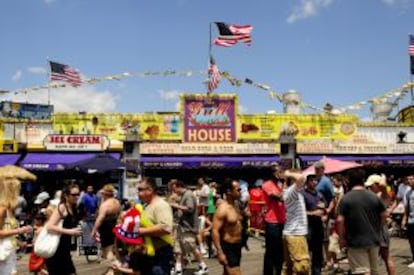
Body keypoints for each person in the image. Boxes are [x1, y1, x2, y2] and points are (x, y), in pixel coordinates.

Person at [337, 168, 387, 275]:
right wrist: (378, 228)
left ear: (349, 181)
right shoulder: (374, 197)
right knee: (374, 271)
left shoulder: (346, 198)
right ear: (363, 180)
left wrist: (341, 239)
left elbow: (340, 220)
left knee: (361, 272)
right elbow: (384, 215)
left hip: (355, 241)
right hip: (374, 240)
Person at [0, 166, 35, 275]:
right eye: (18, 190)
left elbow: (7, 231)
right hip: (3, 253)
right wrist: (20, 230)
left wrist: (20, 243)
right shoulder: (3, 209)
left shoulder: (10, 209)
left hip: (9, 250)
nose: (19, 194)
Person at [136, 177, 174, 274]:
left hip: (160, 254)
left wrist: (139, 231)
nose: (138, 193)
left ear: (150, 190)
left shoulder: (160, 205)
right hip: (149, 253)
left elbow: (165, 227)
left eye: (140, 189)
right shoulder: (146, 205)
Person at [170, 180, 208, 275]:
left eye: (175, 189)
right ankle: (178, 268)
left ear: (179, 187)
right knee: (178, 248)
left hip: (188, 227)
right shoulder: (183, 195)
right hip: (182, 226)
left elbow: (190, 208)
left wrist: (176, 206)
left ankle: (203, 266)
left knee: (192, 247)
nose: (174, 192)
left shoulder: (188, 195)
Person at [45, 183, 83, 275]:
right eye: (74, 195)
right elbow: (49, 226)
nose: (77, 197)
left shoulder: (73, 208)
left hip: (65, 250)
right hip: (56, 250)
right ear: (66, 195)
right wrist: (70, 231)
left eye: (78, 194)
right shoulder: (62, 207)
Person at [364, 174, 396, 275]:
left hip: (381, 230)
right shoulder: (371, 195)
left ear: (377, 185)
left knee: (386, 257)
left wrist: (382, 180)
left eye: (371, 185)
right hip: (372, 229)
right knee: (372, 258)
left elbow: (383, 188)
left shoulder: (383, 195)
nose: (368, 187)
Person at [212, 178, 243, 275]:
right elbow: (215, 231)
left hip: (237, 246)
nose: (240, 192)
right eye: (238, 190)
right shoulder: (222, 209)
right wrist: (220, 252)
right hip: (228, 248)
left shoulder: (236, 205)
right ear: (229, 191)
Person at [282, 170, 310, 275]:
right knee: (302, 268)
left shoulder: (292, 192)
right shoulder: (291, 191)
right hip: (296, 234)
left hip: (292, 233)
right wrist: (288, 174)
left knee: (289, 269)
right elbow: (301, 178)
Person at [262, 165, 286, 275]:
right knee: (271, 252)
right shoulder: (267, 185)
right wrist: (284, 183)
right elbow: (279, 197)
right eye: (278, 172)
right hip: (272, 223)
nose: (280, 173)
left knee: (280, 252)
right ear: (272, 173)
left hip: (282, 221)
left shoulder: (279, 185)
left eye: (281, 171)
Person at [91, 184, 121, 273]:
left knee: (107, 251)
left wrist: (94, 230)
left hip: (106, 228)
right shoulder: (116, 202)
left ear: (105, 194)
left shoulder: (105, 205)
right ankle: (112, 269)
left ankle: (114, 269)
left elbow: (100, 219)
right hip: (114, 226)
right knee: (112, 249)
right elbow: (119, 214)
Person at [302, 174, 326, 275]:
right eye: (312, 181)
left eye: (316, 181)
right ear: (307, 182)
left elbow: (325, 208)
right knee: (306, 253)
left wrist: (324, 210)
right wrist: (312, 213)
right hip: (307, 227)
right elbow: (300, 211)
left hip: (318, 227)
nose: (314, 183)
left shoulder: (319, 194)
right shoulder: (302, 194)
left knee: (317, 254)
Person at [402, 174, 414, 268]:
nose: (409, 181)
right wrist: (404, 219)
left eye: (411, 179)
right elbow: (407, 207)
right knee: (411, 241)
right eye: (408, 179)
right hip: (411, 220)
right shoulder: (408, 192)